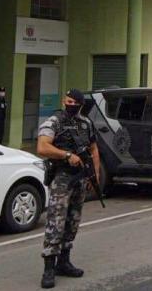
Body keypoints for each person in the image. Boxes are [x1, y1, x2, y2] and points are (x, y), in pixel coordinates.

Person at [36, 89, 100, 289]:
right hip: (62, 178)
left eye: (74, 101)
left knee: (72, 222)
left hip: (80, 179)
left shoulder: (85, 123)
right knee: (56, 222)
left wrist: (94, 176)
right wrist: (65, 155)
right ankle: (49, 268)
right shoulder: (54, 121)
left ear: (80, 104)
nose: (70, 103)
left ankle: (64, 262)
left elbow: (93, 149)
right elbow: (42, 147)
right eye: (68, 100)